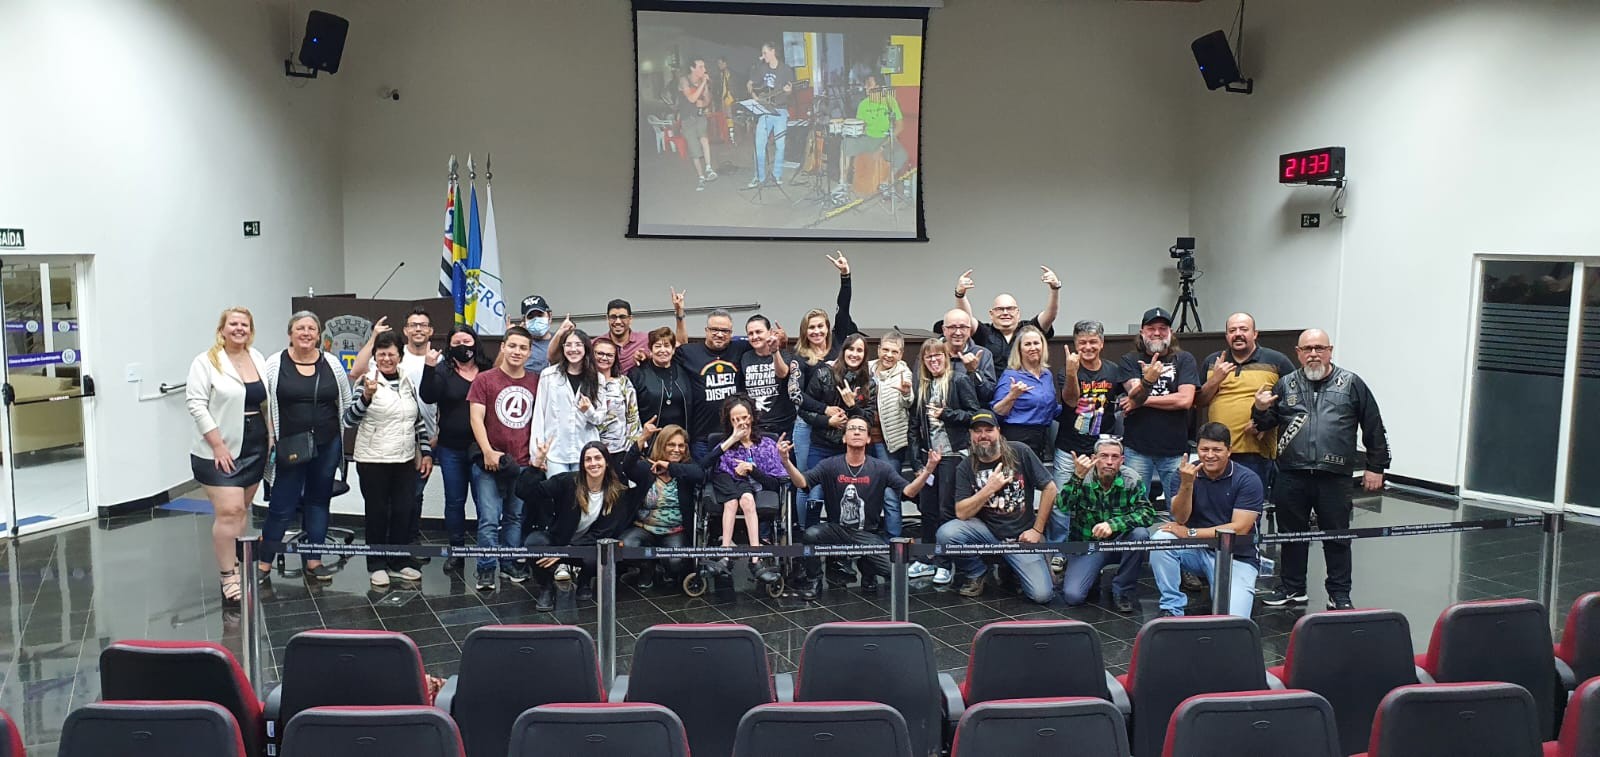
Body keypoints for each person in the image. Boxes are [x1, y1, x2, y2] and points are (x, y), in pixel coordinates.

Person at [1253, 328, 1390, 611]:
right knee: (1291, 536)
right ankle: (1293, 588)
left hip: (1334, 475)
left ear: (1330, 351)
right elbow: (1265, 424)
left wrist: (1376, 467)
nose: (1313, 354)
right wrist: (1259, 409)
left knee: (1337, 536)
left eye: (1319, 348)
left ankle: (1339, 594)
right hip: (1291, 473)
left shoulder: (1351, 383)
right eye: (1307, 349)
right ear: (1298, 353)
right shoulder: (1285, 384)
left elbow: (1373, 425)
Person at [779, 417, 936, 599]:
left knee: (894, 572)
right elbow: (802, 483)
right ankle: (814, 581)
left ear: (868, 438)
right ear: (844, 437)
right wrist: (786, 462)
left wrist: (928, 471)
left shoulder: (881, 468)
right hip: (837, 530)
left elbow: (908, 492)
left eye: (861, 430)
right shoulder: (830, 464)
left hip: (867, 534)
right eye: (851, 429)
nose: (856, 432)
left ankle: (868, 571)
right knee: (811, 534)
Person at [186, 307, 273, 604]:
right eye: (233, 324)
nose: (239, 329)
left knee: (241, 510)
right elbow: (196, 404)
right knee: (230, 511)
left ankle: (236, 563)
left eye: (244, 325)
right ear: (222, 329)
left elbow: (265, 402)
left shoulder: (257, 357)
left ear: (251, 330)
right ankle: (227, 575)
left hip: (254, 444)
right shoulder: (206, 361)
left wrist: (271, 437)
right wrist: (217, 445)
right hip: (218, 448)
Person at [260, 311, 353, 581]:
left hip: (327, 445)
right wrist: (270, 436)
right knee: (281, 504)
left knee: (319, 501)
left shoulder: (332, 363)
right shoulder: (274, 363)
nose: (306, 333)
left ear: (319, 334)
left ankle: (314, 561)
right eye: (300, 328)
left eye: (312, 328)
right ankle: (263, 564)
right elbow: (265, 404)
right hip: (290, 446)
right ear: (290, 333)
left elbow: (346, 402)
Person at [936, 412, 1063, 603]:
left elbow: (1050, 488)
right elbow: (961, 512)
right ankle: (976, 572)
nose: (983, 435)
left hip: (1020, 537)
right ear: (971, 435)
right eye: (978, 431)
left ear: (999, 431)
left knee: (1042, 595)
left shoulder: (1020, 451)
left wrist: (1037, 530)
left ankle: (1011, 566)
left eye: (989, 430)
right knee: (947, 533)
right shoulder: (965, 466)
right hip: (987, 533)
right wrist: (989, 489)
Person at [344, 331, 433, 586]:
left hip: (404, 459)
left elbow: (417, 420)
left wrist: (425, 451)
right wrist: (366, 397)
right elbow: (349, 419)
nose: (386, 359)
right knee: (378, 513)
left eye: (391, 354)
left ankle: (398, 561)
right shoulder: (366, 381)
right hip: (373, 460)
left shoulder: (406, 381)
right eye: (381, 354)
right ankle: (376, 564)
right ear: (375, 357)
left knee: (403, 511)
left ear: (399, 356)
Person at [1149, 423, 1264, 617]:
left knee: (1233, 619)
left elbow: (1240, 528)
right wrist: (1187, 484)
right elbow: (1180, 517)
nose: (1210, 455)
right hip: (1197, 549)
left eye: (1217, 450)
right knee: (1161, 539)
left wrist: (1191, 533)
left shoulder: (1247, 479)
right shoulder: (1185, 473)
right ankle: (1171, 607)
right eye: (1204, 449)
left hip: (1235, 555)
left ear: (1229, 451)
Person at [520, 440, 639, 611]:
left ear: (606, 462)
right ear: (582, 464)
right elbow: (525, 493)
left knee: (600, 553)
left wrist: (566, 551)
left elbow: (604, 532)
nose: (593, 463)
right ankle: (546, 588)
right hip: (558, 540)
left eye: (598, 458)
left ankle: (585, 580)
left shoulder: (617, 492)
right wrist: (535, 466)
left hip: (587, 545)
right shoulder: (567, 481)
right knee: (534, 544)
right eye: (588, 459)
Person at [466, 325, 540, 591]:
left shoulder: (537, 381)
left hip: (522, 462)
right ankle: (486, 569)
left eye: (523, 348)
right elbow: (476, 418)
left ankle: (508, 563)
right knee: (488, 518)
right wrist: (487, 451)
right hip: (489, 462)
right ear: (503, 347)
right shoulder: (484, 380)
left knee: (514, 518)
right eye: (513, 346)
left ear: (529, 352)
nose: (517, 351)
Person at [906, 337, 980, 585]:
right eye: (929, 357)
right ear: (923, 361)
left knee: (945, 510)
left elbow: (975, 415)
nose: (934, 360)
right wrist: (917, 464)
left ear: (946, 357)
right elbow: (913, 428)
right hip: (929, 459)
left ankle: (944, 562)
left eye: (938, 355)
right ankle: (926, 558)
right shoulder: (922, 386)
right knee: (926, 509)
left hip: (953, 455)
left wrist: (946, 414)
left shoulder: (958, 380)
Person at [790, 252, 858, 511]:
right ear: (804, 331)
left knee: (838, 480)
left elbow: (844, 307)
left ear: (828, 327)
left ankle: (834, 527)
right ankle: (804, 530)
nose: (817, 331)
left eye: (821, 326)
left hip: (840, 423)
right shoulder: (799, 357)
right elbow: (797, 395)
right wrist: (825, 411)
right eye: (811, 327)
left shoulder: (839, 343)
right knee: (807, 482)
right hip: (808, 423)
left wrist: (845, 277)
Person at [419, 324, 490, 574]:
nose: (462, 347)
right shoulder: (442, 371)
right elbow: (427, 396)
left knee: (485, 503)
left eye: (467, 341)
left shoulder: (487, 370)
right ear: (449, 347)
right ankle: (456, 551)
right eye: (457, 343)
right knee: (454, 501)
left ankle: (486, 555)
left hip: (481, 449)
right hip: (451, 449)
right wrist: (429, 367)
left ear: (475, 343)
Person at [1056, 437, 1156, 612]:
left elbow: (1147, 513)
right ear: (1094, 458)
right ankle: (1087, 571)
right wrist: (1077, 477)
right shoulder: (1082, 476)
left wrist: (1113, 524)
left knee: (1140, 534)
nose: (1109, 462)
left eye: (1114, 457)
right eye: (1104, 456)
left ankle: (1122, 590)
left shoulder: (1131, 479)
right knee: (1074, 596)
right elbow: (1063, 506)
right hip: (1088, 545)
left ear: (1122, 460)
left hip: (1119, 544)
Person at [1197, 312, 1296, 486]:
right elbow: (1200, 401)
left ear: (1255, 334)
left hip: (1256, 452)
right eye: (1232, 330)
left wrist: (1265, 423)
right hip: (1216, 451)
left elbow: (1294, 401)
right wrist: (1215, 379)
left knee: (1251, 500)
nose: (1238, 334)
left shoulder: (1277, 361)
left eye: (1243, 329)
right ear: (1226, 336)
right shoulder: (1213, 361)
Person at [1054, 320, 1154, 489]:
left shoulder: (1113, 370)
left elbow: (1136, 396)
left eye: (1093, 342)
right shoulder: (1066, 371)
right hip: (1070, 450)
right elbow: (1071, 401)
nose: (1088, 347)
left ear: (1101, 343)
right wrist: (1071, 373)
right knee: (1062, 499)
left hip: (1103, 451)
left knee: (1100, 498)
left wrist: (1147, 382)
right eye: (1082, 342)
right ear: (1075, 345)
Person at [1119, 307, 1201, 506]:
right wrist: (1147, 381)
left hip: (1175, 449)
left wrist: (1139, 401)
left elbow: (1185, 400)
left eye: (1163, 328)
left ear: (1170, 332)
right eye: (1151, 328)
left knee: (1178, 507)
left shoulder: (1184, 359)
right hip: (1137, 448)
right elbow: (1134, 392)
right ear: (1142, 332)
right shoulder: (1129, 360)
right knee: (1135, 507)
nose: (1157, 333)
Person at [701, 397, 786, 583]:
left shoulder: (766, 444)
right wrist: (733, 439)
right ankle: (725, 554)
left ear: (752, 417)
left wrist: (752, 470)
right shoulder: (724, 444)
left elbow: (775, 483)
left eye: (745, 417)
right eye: (736, 419)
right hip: (726, 486)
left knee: (747, 500)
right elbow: (705, 465)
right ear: (729, 422)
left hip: (753, 488)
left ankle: (755, 559)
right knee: (731, 502)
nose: (741, 423)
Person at [799, 333, 877, 516]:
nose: (854, 354)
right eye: (851, 349)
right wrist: (828, 421)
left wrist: (852, 406)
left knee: (843, 495)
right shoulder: (824, 373)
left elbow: (868, 421)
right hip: (822, 445)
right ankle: (807, 530)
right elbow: (804, 410)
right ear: (843, 351)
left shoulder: (870, 383)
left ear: (865, 355)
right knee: (815, 491)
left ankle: (839, 531)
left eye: (859, 350)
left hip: (851, 450)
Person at [618, 422, 702, 590]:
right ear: (662, 445)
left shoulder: (686, 470)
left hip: (674, 531)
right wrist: (643, 437)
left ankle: (666, 569)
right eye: (671, 445)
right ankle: (646, 567)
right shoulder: (647, 468)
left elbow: (700, 474)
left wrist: (670, 466)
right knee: (626, 547)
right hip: (644, 528)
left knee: (676, 562)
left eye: (681, 445)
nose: (676, 449)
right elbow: (627, 466)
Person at [531, 327, 607, 474]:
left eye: (578, 345)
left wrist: (588, 411)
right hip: (555, 452)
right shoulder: (549, 375)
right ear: (563, 348)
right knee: (557, 488)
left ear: (586, 348)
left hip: (586, 452)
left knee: (582, 489)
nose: (573, 349)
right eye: (568, 345)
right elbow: (539, 415)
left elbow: (600, 419)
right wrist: (537, 454)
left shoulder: (597, 379)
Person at [953, 266, 1061, 368]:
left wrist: (1054, 289)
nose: (1005, 313)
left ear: (1018, 313)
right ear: (991, 314)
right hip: (992, 382)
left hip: (1026, 381)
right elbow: (965, 319)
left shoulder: (1028, 330)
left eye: (1010, 309)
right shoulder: (984, 332)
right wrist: (960, 294)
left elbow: (1050, 315)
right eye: (1000, 309)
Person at [991, 324, 1060, 463]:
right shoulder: (1011, 375)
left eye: (1036, 343)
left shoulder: (1046, 374)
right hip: (1017, 437)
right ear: (1019, 349)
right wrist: (1012, 396)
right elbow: (996, 411)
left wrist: (1076, 408)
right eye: (1027, 344)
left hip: (1041, 437)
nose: (1033, 348)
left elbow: (1051, 408)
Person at [869, 331, 914, 538]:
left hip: (889, 443)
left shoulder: (904, 373)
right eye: (885, 350)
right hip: (862, 441)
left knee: (890, 493)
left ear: (901, 354)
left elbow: (908, 401)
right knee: (864, 490)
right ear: (878, 349)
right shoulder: (867, 368)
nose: (888, 355)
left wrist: (906, 393)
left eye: (894, 352)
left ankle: (894, 541)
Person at [837, 75, 909, 193]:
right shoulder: (863, 104)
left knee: (902, 155)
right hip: (867, 138)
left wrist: (883, 146)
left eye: (869, 84)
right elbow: (861, 126)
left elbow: (900, 126)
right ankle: (843, 182)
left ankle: (886, 183)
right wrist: (850, 129)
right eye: (865, 84)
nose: (866, 87)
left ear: (878, 87)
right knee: (846, 143)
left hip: (885, 138)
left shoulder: (890, 102)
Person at [739, 314, 798, 437]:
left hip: (783, 425)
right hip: (756, 426)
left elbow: (782, 373)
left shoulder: (784, 354)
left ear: (770, 332)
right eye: (750, 333)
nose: (755, 336)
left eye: (758, 332)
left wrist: (774, 351)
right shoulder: (745, 357)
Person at [746, 41, 794, 188]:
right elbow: (750, 84)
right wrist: (754, 95)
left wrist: (789, 91)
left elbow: (790, 91)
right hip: (765, 110)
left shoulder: (785, 69)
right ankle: (759, 177)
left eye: (765, 53)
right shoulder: (762, 69)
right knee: (759, 144)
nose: (763, 56)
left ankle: (777, 175)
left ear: (773, 52)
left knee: (780, 145)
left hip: (781, 110)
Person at [629, 326, 694, 432]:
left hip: (680, 435)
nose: (662, 350)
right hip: (650, 435)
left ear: (673, 350)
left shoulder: (683, 370)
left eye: (667, 346)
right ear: (650, 350)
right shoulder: (638, 374)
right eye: (657, 346)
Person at [590, 338, 642, 460]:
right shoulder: (584, 382)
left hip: (619, 449)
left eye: (609, 355)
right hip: (590, 449)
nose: (604, 358)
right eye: (600, 353)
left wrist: (631, 449)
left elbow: (633, 416)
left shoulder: (623, 382)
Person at [940, 308, 998, 401]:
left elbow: (988, 395)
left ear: (969, 330)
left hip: (972, 408)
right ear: (944, 330)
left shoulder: (983, 354)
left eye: (963, 327)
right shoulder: (932, 353)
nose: (958, 332)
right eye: (952, 327)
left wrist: (974, 372)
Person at [519, 295, 555, 374]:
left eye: (540, 315)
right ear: (524, 321)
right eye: (530, 317)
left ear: (549, 316)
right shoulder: (519, 345)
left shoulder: (560, 341)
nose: (536, 320)